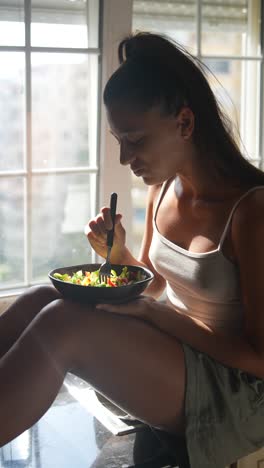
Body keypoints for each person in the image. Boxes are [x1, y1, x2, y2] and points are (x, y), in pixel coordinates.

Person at [1, 32, 264, 467]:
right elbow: (155, 284)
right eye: (118, 138)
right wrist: (120, 255)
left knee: (64, 324)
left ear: (184, 123)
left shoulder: (252, 211)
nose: (125, 158)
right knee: (46, 297)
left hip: (237, 389)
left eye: (136, 140)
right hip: (181, 353)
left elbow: (260, 360)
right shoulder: (165, 188)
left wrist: (159, 315)